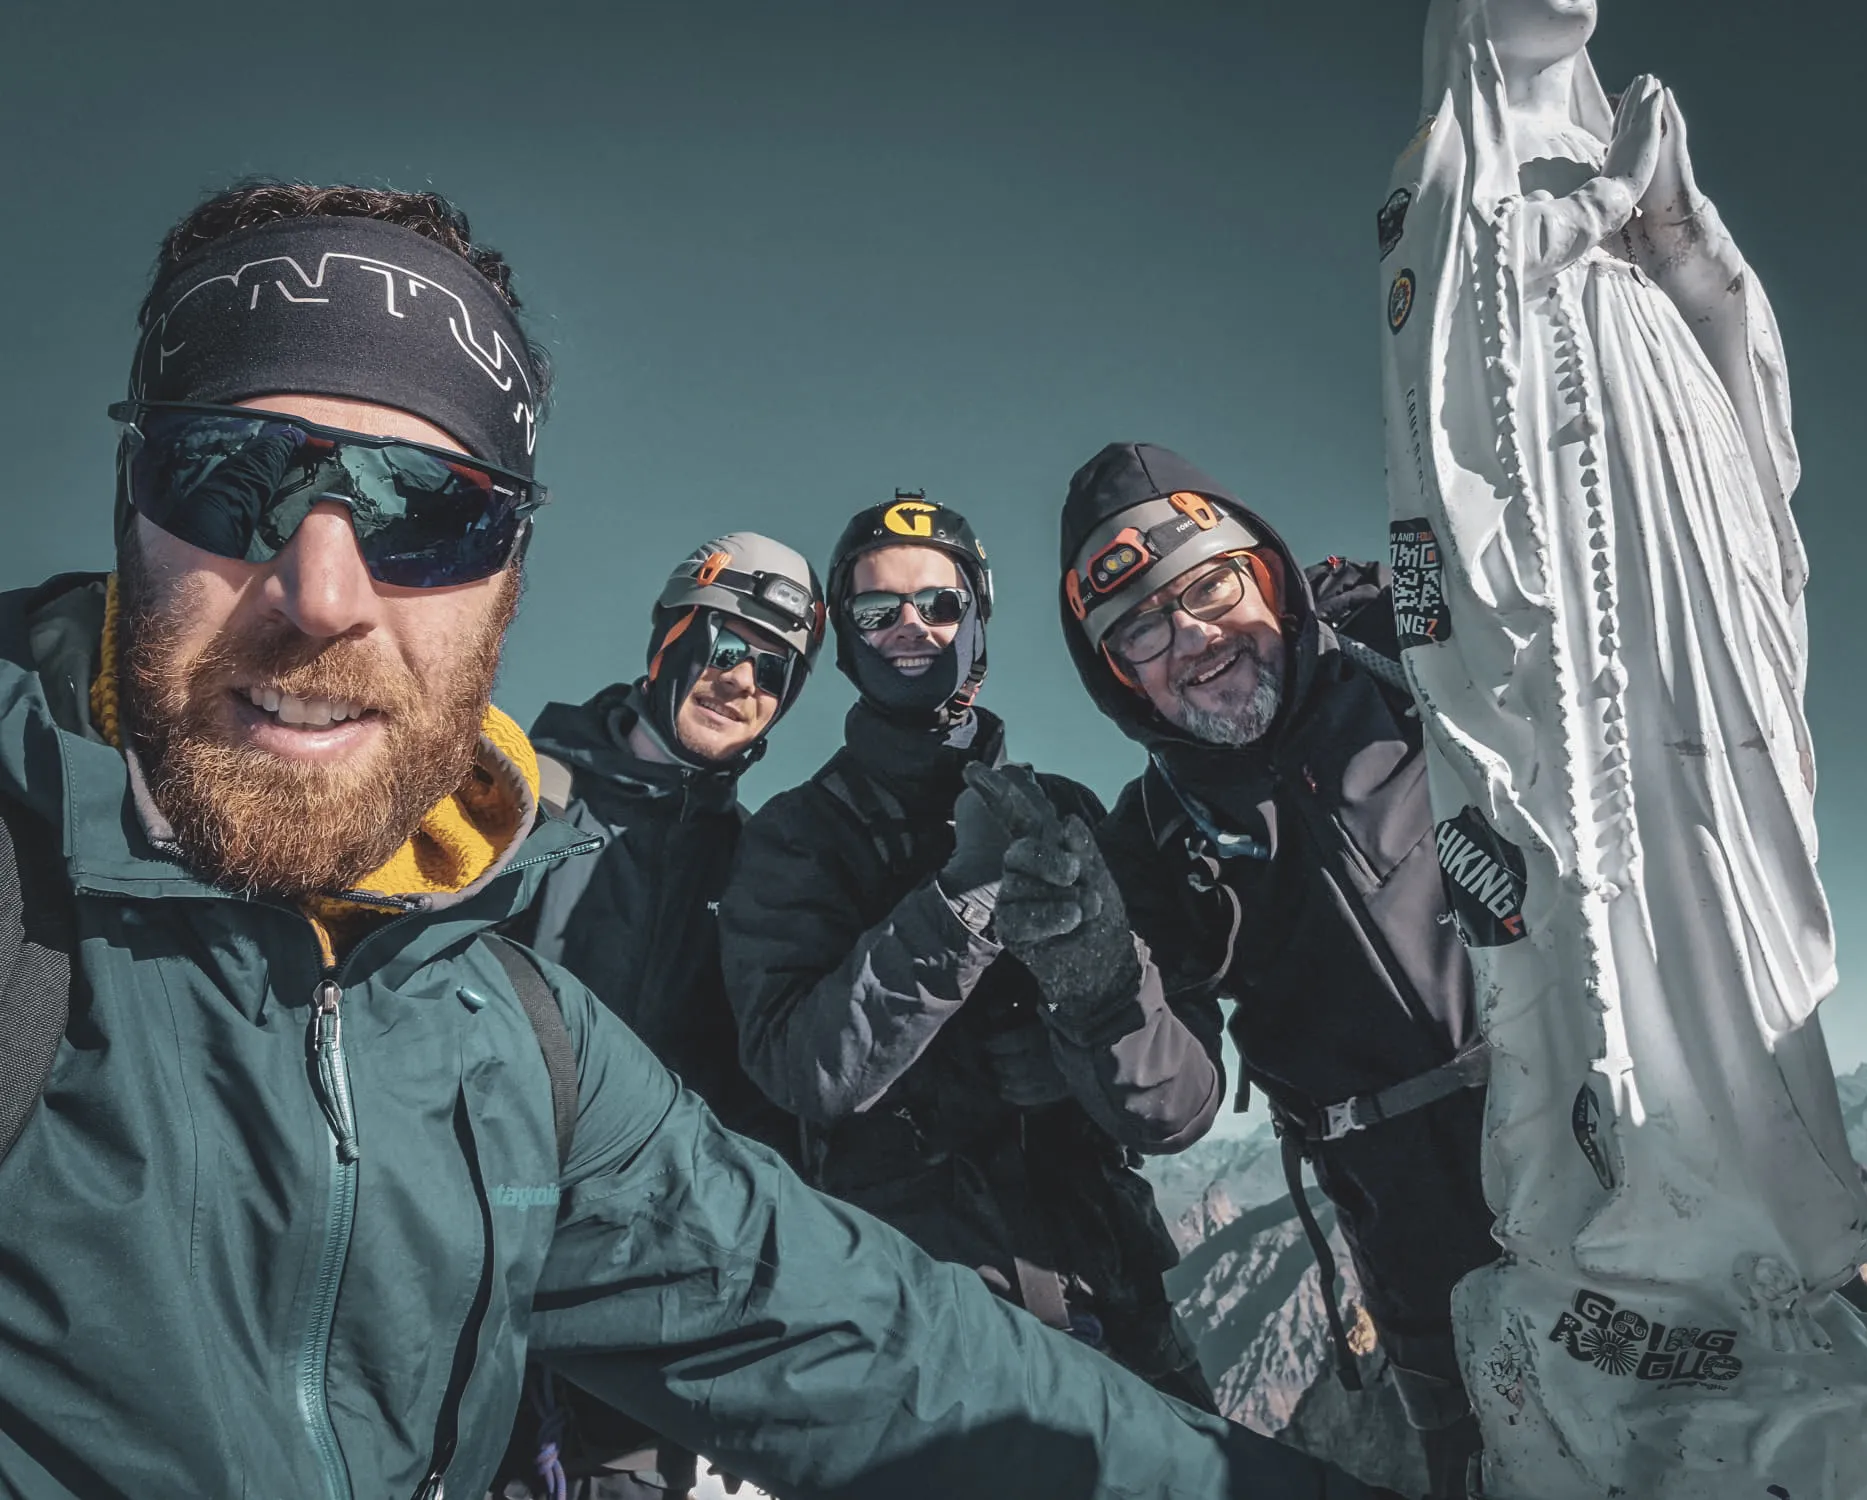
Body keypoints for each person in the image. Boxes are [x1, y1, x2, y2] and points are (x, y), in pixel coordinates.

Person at [0, 182, 1392, 1500]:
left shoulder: (502, 1022)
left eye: (427, 513)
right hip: (716, 1331)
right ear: (132, 493)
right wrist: (952, 914)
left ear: (509, 571)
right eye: (225, 477)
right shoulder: (660, 852)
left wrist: (1096, 978)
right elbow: (807, 1085)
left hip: (1056, 1292)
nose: (320, 588)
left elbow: (845, 1321)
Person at [1056, 442, 1496, 1499]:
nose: (1190, 639)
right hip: (1418, 1252)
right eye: (1139, 632)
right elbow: (1168, 1108)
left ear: (1265, 572)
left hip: (1606, 1141)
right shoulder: (1156, 839)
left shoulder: (1410, 647)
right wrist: (1089, 974)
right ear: (1116, 677)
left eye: (1206, 586)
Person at [719, 494, 1220, 1409]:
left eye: (939, 604)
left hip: (1115, 1308)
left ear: (977, 619)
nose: (910, 627)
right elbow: (802, 1070)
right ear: (846, 641)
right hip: (916, 1331)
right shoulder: (796, 840)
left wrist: (1085, 1035)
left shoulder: (1070, 812)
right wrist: (959, 904)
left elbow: (1181, 1104)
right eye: (878, 610)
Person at [488, 533, 825, 1498]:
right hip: (457, 1267)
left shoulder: (755, 871)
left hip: (637, 1309)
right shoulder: (508, 797)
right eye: (725, 644)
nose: (743, 680)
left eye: (774, 667)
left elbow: (757, 1098)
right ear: (668, 634)